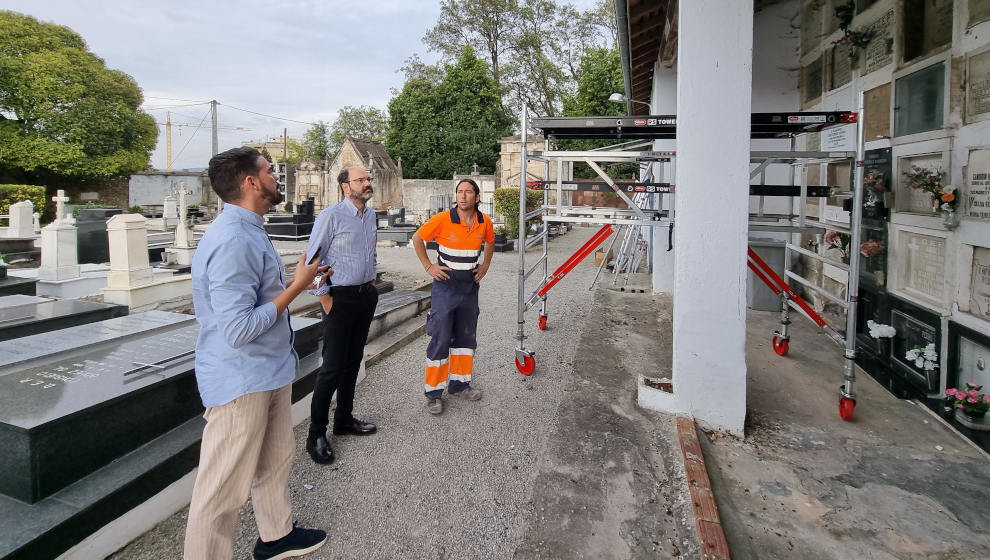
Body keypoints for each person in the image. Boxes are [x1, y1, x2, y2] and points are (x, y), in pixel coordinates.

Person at [185, 147, 328, 560]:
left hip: (268, 370)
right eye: (269, 171)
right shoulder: (232, 239)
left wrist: (302, 278)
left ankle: (276, 535)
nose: (276, 177)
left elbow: (259, 296)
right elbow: (238, 329)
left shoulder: (250, 227)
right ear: (250, 182)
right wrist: (297, 286)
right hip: (240, 379)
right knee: (221, 490)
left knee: (274, 460)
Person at [304, 166, 379, 465]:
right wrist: (324, 300)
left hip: (364, 296)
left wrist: (371, 281)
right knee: (332, 367)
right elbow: (312, 261)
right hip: (339, 298)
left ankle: (344, 420)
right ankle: (316, 433)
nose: (368, 183)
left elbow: (370, 253)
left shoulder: (371, 216)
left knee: (352, 362)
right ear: (346, 187)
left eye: (369, 179)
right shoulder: (330, 216)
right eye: (362, 180)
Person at [411, 178, 495, 415]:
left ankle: (460, 385)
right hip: (445, 285)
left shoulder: (483, 221)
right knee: (440, 336)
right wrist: (429, 267)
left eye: (468, 192)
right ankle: (434, 393)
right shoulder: (443, 219)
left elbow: (490, 241)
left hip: (469, 286)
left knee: (465, 338)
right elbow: (418, 238)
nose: (463, 196)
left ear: (477, 197)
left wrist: (485, 264)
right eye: (459, 192)